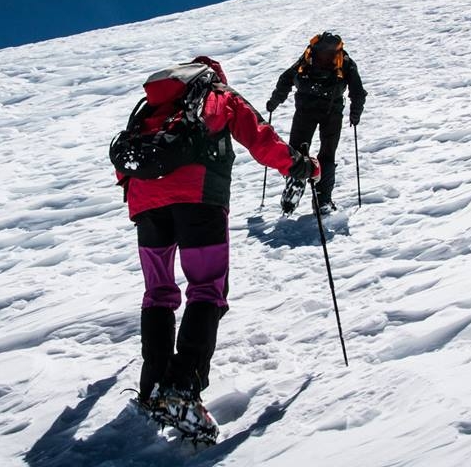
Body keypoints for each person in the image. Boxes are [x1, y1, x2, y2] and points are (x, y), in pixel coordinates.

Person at [115, 56, 319, 420]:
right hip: (199, 200)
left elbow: (127, 161)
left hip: (145, 204)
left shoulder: (155, 106)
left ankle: (153, 388)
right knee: (207, 288)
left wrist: (145, 197)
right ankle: (182, 388)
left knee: (158, 293)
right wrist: (302, 165)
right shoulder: (219, 95)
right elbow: (261, 140)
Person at [265, 32, 367, 214]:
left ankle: (294, 187)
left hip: (305, 108)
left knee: (297, 150)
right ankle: (323, 201)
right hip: (332, 110)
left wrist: (275, 101)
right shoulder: (344, 60)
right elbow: (357, 90)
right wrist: (355, 113)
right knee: (328, 154)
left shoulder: (308, 56)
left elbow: (286, 78)